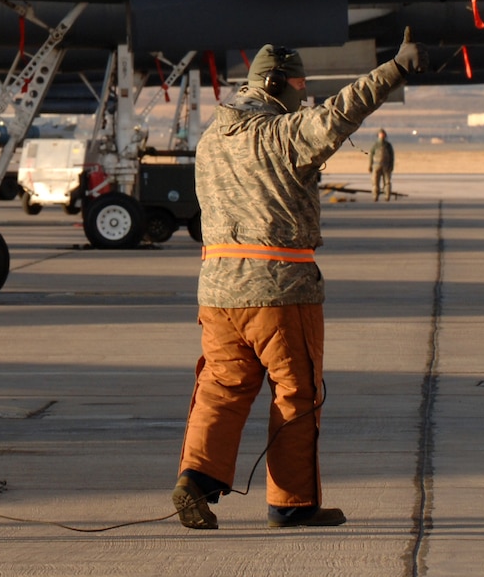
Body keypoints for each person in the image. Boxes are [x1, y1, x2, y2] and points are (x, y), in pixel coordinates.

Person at [172, 38, 420, 530]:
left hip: (217, 293)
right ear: (273, 84)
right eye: (300, 86)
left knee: (222, 387)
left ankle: (196, 481)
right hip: (279, 290)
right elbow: (339, 114)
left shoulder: (211, 138)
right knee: (296, 393)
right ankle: (292, 502)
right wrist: (394, 70)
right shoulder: (279, 135)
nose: (304, 96)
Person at [368, 128, 395, 201]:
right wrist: (370, 166)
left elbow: (392, 157)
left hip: (384, 166)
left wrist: (391, 166)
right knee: (376, 182)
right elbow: (371, 156)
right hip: (378, 165)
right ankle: (377, 196)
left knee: (386, 182)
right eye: (381, 134)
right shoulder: (377, 145)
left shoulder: (386, 145)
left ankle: (385, 196)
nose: (382, 136)